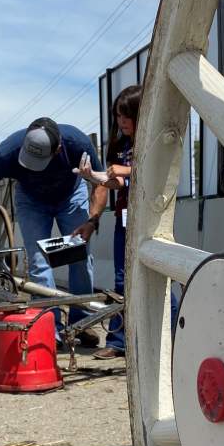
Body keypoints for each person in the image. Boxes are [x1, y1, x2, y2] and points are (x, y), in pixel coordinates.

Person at [0, 117, 107, 344]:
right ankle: (49, 327)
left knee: (79, 256)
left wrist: (92, 221)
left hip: (71, 195)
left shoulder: (76, 143)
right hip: (31, 201)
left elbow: (101, 182)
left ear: (58, 148)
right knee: (40, 262)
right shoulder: (8, 151)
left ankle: (81, 322)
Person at [92, 85, 138, 359]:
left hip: (149, 218)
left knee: (157, 278)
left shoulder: (153, 139)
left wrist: (130, 169)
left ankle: (175, 330)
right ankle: (118, 341)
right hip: (124, 218)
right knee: (121, 279)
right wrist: (92, 176)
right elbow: (117, 182)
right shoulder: (120, 145)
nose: (121, 122)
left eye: (126, 116)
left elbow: (155, 169)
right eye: (118, 116)